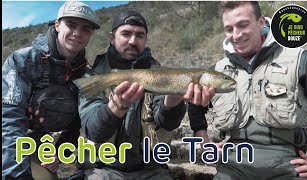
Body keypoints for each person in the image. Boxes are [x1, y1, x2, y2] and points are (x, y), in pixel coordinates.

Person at [76, 10, 214, 179]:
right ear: (112, 38)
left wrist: (173, 99)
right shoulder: (95, 76)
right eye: (126, 34)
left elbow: (167, 124)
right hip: (104, 167)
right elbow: (93, 131)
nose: (133, 41)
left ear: (145, 39)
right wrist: (117, 106)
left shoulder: (160, 72)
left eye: (140, 35)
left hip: (150, 168)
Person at [188, 1, 307, 180]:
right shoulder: (215, 72)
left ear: (261, 22)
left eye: (243, 25)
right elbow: (195, 109)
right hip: (230, 169)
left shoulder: (302, 60)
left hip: (289, 169)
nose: (236, 35)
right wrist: (205, 142)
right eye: (229, 29)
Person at [2, 1, 100, 179]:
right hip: (12, 139)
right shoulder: (22, 61)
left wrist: (60, 152)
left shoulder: (87, 74)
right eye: (71, 25)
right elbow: (10, 120)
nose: (77, 33)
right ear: (57, 25)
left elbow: (77, 122)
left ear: (91, 34)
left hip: (44, 142)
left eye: (85, 29)